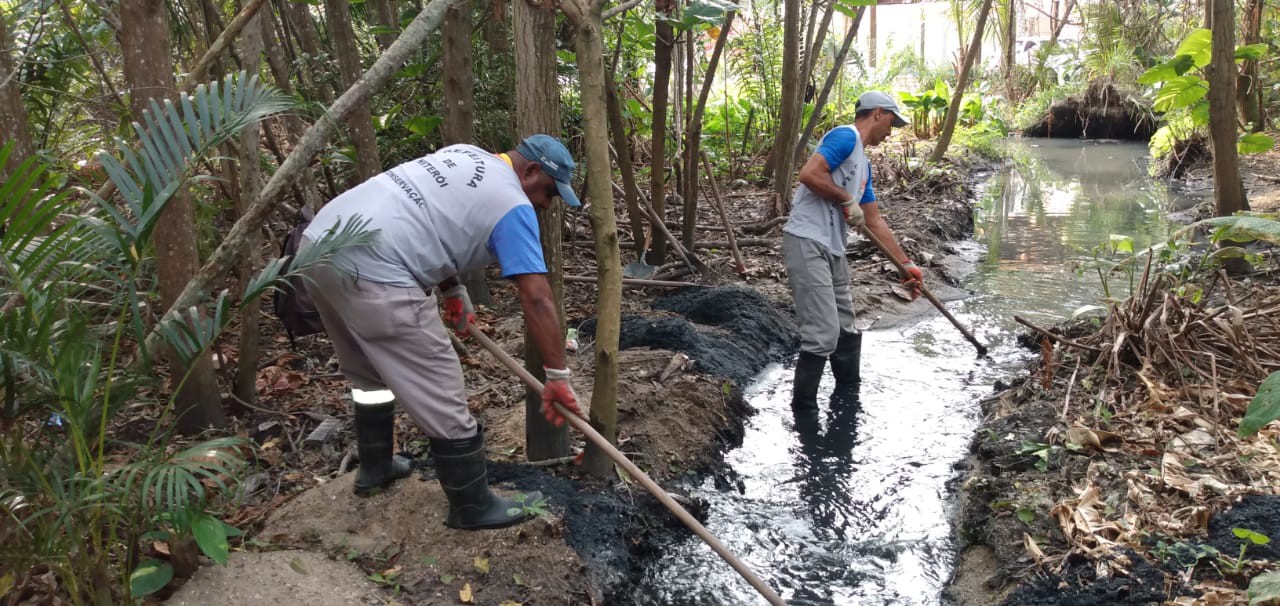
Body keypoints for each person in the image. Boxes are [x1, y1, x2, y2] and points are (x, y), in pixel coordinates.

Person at [299, 134, 584, 530]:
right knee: (442, 381)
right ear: (531, 171)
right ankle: (472, 505)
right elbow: (537, 298)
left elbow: (432, 216)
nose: (546, 205)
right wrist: (556, 376)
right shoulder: (513, 205)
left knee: (367, 372)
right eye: (548, 192)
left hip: (316, 248)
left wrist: (453, 289)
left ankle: (376, 465)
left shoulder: (466, 154)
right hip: (378, 268)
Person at [782, 91, 923, 416]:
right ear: (877, 113)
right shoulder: (844, 137)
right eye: (891, 121)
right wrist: (845, 198)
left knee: (846, 325)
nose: (892, 130)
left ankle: (848, 398)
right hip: (806, 240)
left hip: (832, 247)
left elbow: (873, 220)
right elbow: (809, 174)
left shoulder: (863, 166)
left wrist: (906, 265)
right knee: (823, 332)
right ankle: (804, 415)